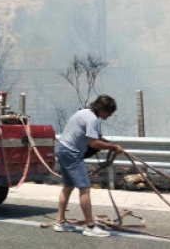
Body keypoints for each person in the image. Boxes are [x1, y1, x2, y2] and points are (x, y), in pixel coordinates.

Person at [53, 95, 124, 237]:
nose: (109, 115)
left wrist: (109, 144)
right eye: (109, 112)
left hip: (62, 149)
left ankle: (60, 222)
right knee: (84, 188)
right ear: (102, 109)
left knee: (68, 186)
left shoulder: (84, 112)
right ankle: (90, 226)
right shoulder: (92, 119)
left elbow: (96, 137)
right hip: (72, 153)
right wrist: (113, 147)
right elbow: (94, 144)